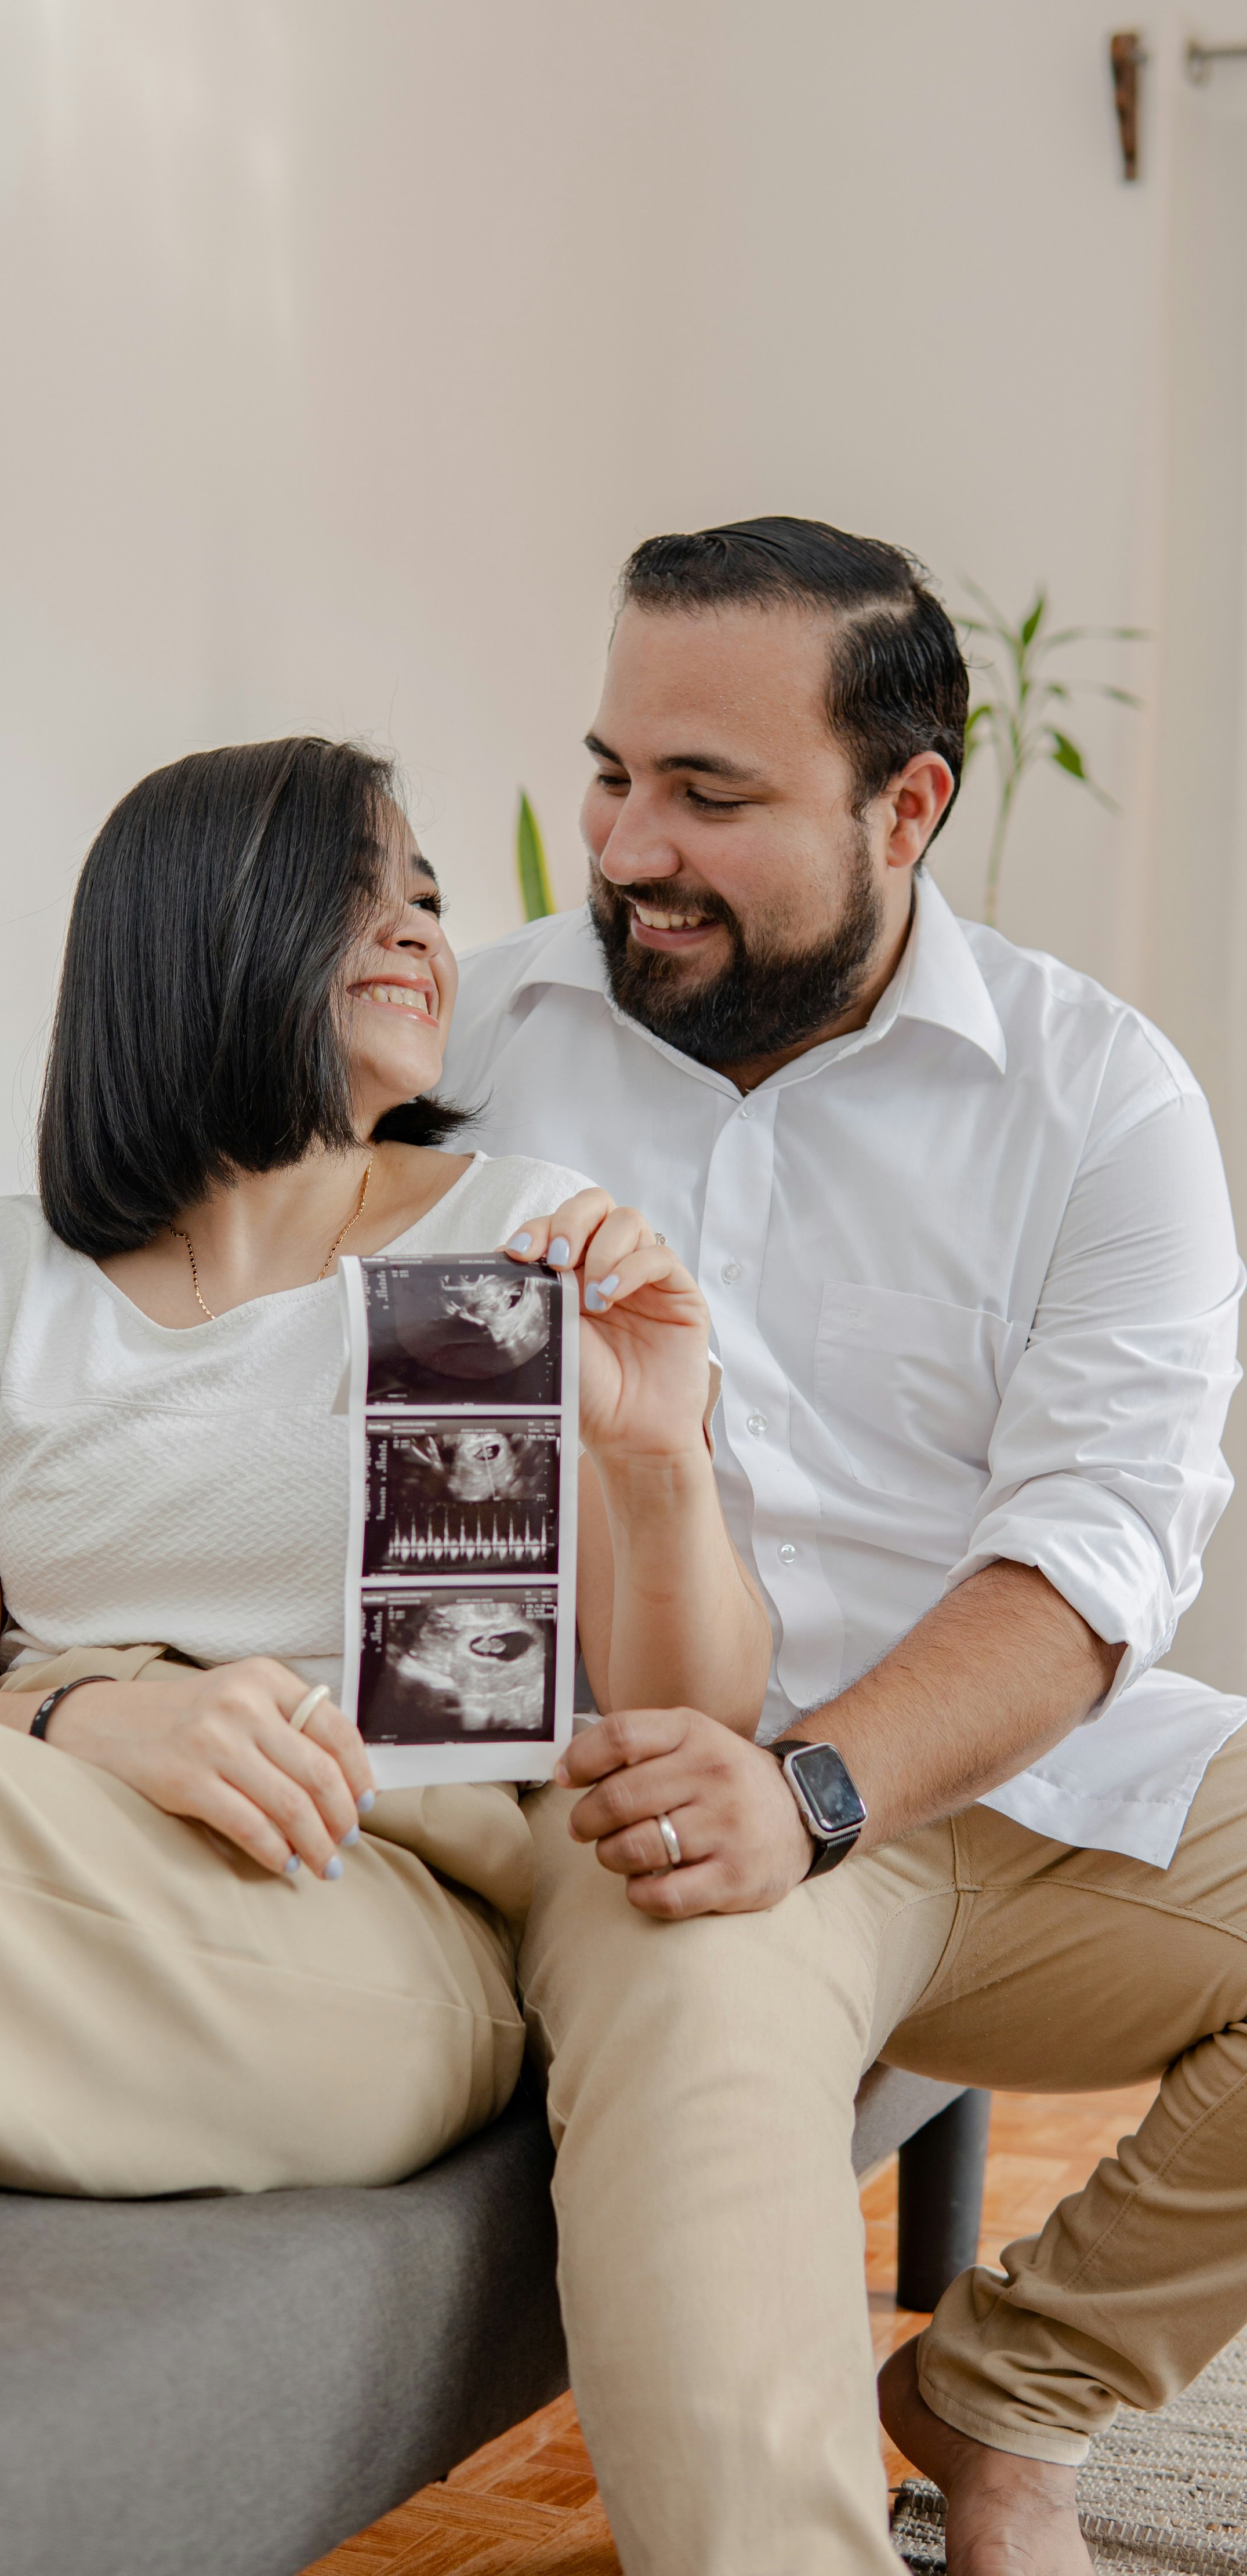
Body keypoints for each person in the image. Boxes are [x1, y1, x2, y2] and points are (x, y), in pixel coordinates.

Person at [444, 518, 1247, 2576]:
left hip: (978, 1786)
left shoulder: (1100, 1104)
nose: (626, 846)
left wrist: (819, 1785)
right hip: (653, 1811)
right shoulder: (460, 1052)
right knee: (730, 2433)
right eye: (613, 770)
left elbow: (1094, 1548)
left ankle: (1005, 2397)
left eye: (709, 794)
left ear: (909, 804)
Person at [0, 735, 768, 2331]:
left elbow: (691, 1720)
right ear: (189, 930)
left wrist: (655, 1452)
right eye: (357, 889)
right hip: (22, 1830)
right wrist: (100, 1718)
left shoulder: (487, 1245)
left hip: (360, 1897)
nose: (419, 932)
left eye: (429, 897)